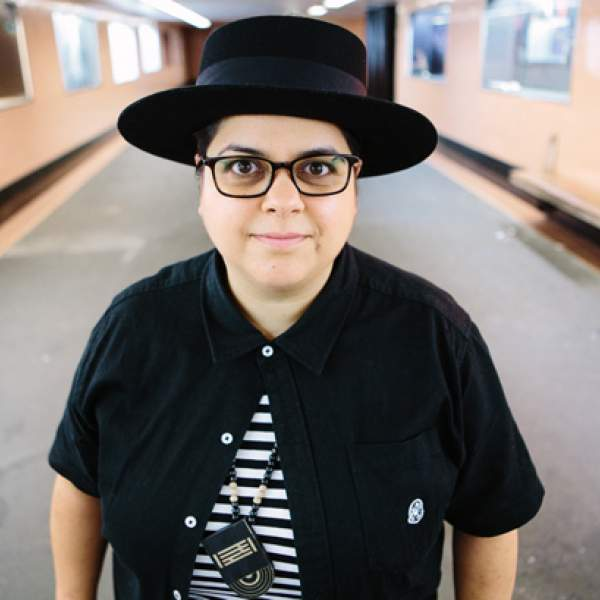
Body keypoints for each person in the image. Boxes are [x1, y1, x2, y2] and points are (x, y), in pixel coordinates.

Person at [47, 14, 545, 600]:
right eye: (243, 166)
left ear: (354, 186)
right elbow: (80, 483)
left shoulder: (435, 338)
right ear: (201, 183)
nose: (282, 201)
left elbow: (490, 514)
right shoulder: (133, 329)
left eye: (317, 168)